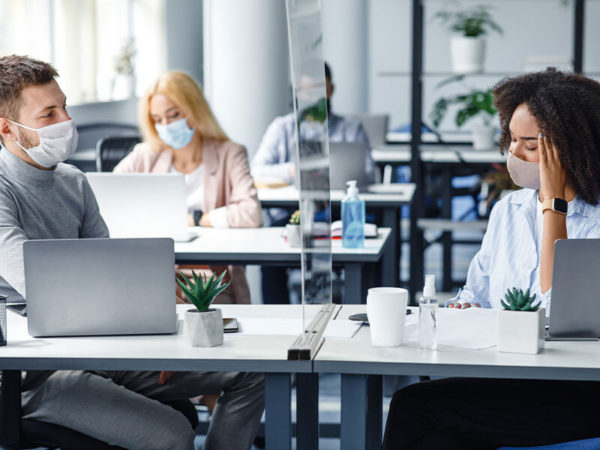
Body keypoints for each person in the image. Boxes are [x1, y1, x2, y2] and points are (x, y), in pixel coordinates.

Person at [0, 54, 263, 450]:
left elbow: (109, 275)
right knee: (173, 433)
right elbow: (42, 284)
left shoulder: (74, 181)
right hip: (34, 374)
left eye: (65, 106)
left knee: (249, 373)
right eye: (48, 114)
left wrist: (151, 344)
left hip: (99, 350)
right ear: (8, 129)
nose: (66, 121)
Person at [383, 69, 600, 449]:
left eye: (530, 145)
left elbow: (555, 313)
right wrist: (464, 305)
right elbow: (476, 290)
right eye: (512, 139)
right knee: (438, 439)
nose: (513, 152)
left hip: (579, 386)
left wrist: (554, 207)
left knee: (413, 406)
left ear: (571, 149)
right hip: (512, 375)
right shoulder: (508, 210)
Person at [114, 70, 261, 304]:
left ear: (194, 110)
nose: (165, 125)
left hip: (210, 278)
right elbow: (109, 197)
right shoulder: (145, 155)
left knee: (165, 303)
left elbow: (250, 213)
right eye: (158, 119)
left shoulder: (230, 153)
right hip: (155, 269)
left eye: (173, 115)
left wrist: (197, 218)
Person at [252, 62, 373, 304]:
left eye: (319, 88)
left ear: (331, 90)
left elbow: (368, 174)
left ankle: (362, 311)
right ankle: (280, 320)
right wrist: (295, 171)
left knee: (369, 252)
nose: (312, 96)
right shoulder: (281, 128)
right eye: (305, 90)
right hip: (291, 215)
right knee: (271, 260)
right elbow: (257, 171)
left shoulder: (351, 128)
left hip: (339, 214)